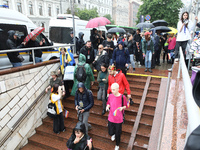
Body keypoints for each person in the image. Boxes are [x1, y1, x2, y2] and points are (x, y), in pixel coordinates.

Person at [106, 83, 127, 150]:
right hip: (111, 117)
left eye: (114, 89)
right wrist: (107, 106)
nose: (112, 91)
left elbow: (125, 106)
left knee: (118, 133)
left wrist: (122, 108)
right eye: (111, 89)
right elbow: (108, 103)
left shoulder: (122, 97)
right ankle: (113, 134)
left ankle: (117, 144)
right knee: (110, 131)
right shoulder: (110, 96)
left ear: (118, 89)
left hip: (118, 118)